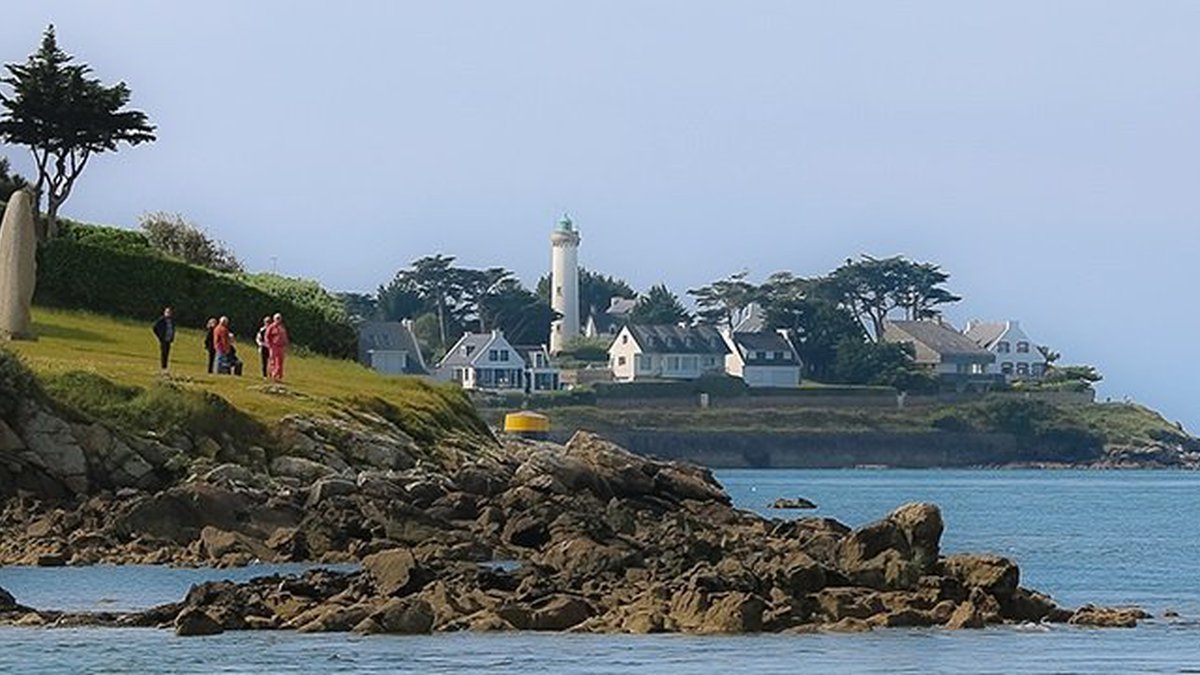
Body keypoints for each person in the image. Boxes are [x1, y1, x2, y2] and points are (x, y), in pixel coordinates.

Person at [265, 313, 289, 381]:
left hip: (281, 347)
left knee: (280, 361)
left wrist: (286, 345)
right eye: (277, 318)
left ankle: (279, 376)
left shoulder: (282, 327)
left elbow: (285, 337)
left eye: (279, 318)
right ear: (274, 319)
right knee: (273, 361)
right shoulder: (271, 327)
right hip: (274, 346)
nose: (278, 320)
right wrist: (269, 345)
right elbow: (267, 336)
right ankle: (273, 375)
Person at [151, 307, 175, 372]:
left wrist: (172, 337)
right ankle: (163, 367)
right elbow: (154, 328)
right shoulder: (162, 320)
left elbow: (172, 329)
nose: (169, 314)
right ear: (164, 313)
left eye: (170, 312)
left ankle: (165, 367)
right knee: (163, 353)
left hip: (168, 340)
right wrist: (160, 337)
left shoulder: (171, 321)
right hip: (163, 339)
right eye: (167, 312)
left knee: (167, 353)